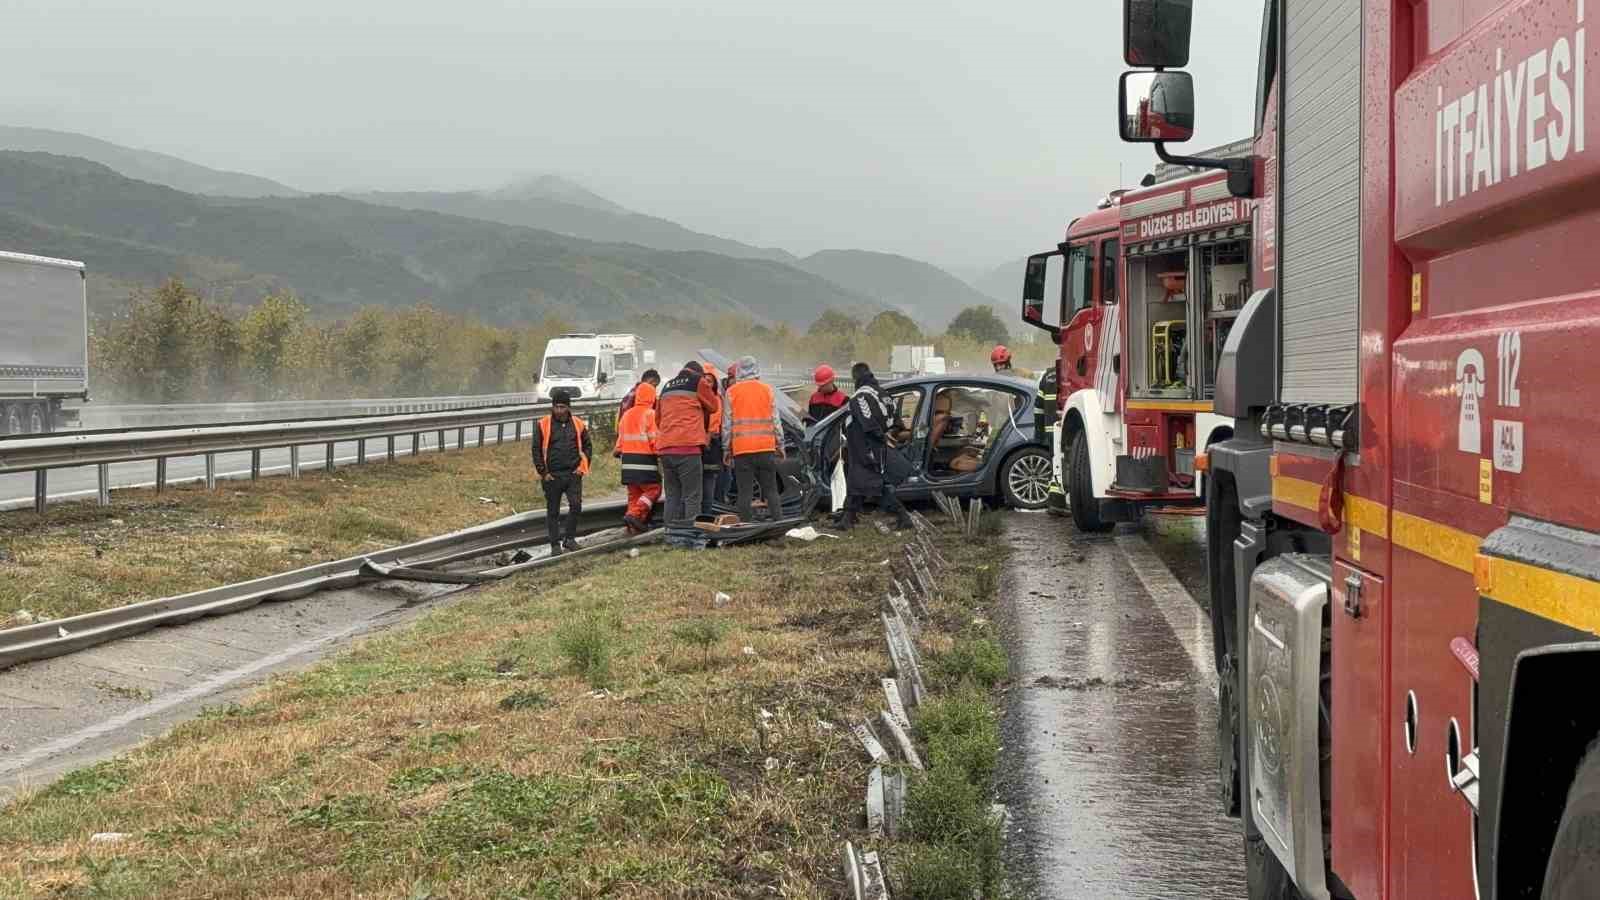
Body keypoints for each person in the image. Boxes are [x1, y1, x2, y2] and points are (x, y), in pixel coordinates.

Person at [839, 362, 913, 531]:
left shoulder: (859, 397)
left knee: (873, 485)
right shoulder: (884, 394)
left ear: (855, 377)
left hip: (865, 447)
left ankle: (903, 516)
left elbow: (868, 423)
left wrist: (880, 437)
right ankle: (847, 519)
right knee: (857, 482)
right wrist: (888, 436)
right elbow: (896, 422)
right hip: (875, 447)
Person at [655, 360, 719, 546]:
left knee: (672, 495)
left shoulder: (667, 386)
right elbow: (714, 406)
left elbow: (658, 419)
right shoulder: (697, 381)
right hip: (688, 447)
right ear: (698, 372)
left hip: (666, 448)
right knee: (692, 496)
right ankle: (691, 537)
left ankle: (670, 536)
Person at [722, 356, 785, 522]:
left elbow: (727, 425)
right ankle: (779, 523)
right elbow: (776, 421)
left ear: (739, 371)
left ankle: (745, 527)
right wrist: (780, 444)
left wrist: (726, 449)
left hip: (742, 450)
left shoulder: (731, 392)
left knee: (745, 493)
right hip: (766, 448)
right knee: (771, 490)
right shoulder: (767, 390)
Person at [531, 387, 593, 555]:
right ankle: (555, 545)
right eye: (556, 406)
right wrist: (544, 473)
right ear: (552, 407)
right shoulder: (543, 424)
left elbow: (587, 446)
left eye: (562, 407)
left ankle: (569, 539)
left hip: (573, 474)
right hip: (553, 475)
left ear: (568, 407)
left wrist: (582, 468)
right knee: (553, 511)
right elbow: (536, 450)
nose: (559, 410)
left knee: (576, 506)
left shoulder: (579, 424)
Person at [614, 381, 661, 533]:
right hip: (645, 461)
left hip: (627, 461)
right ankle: (634, 515)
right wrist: (660, 454)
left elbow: (620, 442)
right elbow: (654, 439)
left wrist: (618, 451)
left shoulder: (626, 415)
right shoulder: (650, 414)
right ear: (652, 397)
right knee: (654, 490)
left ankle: (631, 522)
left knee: (634, 494)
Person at [701, 363, 725, 515]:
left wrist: (707, 440)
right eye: (704, 380)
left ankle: (710, 512)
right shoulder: (699, 397)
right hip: (700, 443)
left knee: (710, 480)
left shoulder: (716, 399)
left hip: (711, 444)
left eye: (710, 380)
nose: (707, 383)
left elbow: (714, 425)